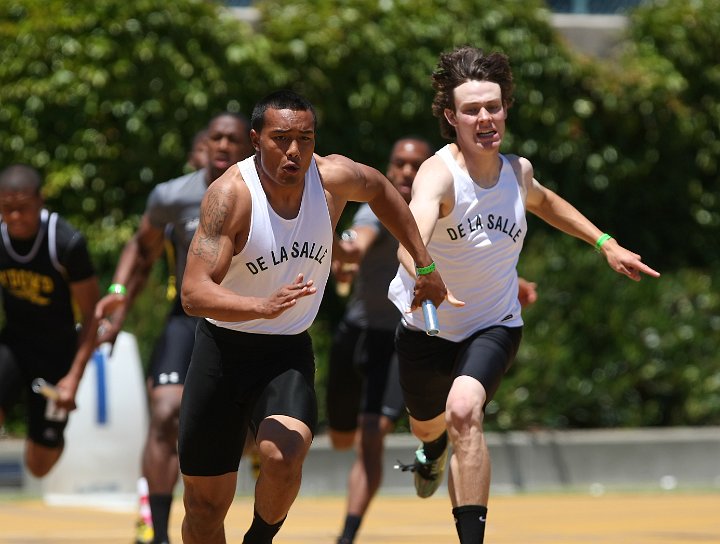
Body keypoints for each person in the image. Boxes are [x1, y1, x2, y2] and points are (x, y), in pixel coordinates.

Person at [388, 46, 660, 543]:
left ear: (505, 108)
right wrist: (425, 272)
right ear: (452, 117)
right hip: (428, 325)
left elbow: (546, 202)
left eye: (493, 106)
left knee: (465, 411)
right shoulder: (439, 174)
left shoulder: (517, 171)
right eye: (471, 109)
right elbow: (412, 237)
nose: (484, 117)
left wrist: (605, 243)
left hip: (494, 324)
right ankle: (429, 455)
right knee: (428, 427)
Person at [177, 89, 447, 544]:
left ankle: (258, 540)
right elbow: (193, 293)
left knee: (284, 457)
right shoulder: (230, 196)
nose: (294, 150)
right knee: (205, 509)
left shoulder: (331, 179)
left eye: (305, 137)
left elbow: (380, 188)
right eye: (281, 138)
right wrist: (258, 306)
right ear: (255, 139)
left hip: (285, 350)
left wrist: (424, 263)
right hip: (222, 352)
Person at [94, 112, 253, 544]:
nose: (222, 145)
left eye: (232, 139)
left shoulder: (265, 192)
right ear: (205, 144)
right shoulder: (172, 196)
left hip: (246, 321)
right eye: (215, 137)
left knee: (250, 429)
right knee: (165, 413)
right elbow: (141, 246)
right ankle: (157, 531)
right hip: (188, 319)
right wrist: (118, 293)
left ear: (250, 145)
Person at [326, 136, 433, 544]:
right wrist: (338, 247)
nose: (406, 172)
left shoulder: (441, 211)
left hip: (399, 338)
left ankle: (347, 536)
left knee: (373, 433)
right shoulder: (377, 210)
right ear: (389, 169)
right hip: (356, 335)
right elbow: (357, 243)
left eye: (416, 165)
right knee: (340, 439)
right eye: (399, 163)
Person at [0, 164, 99, 478]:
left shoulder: (66, 243)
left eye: (23, 209)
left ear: (40, 202)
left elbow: (92, 316)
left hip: (57, 354)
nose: (15, 217)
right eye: (7, 209)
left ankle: (48, 433)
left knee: (39, 465)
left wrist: (74, 377)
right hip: (13, 344)